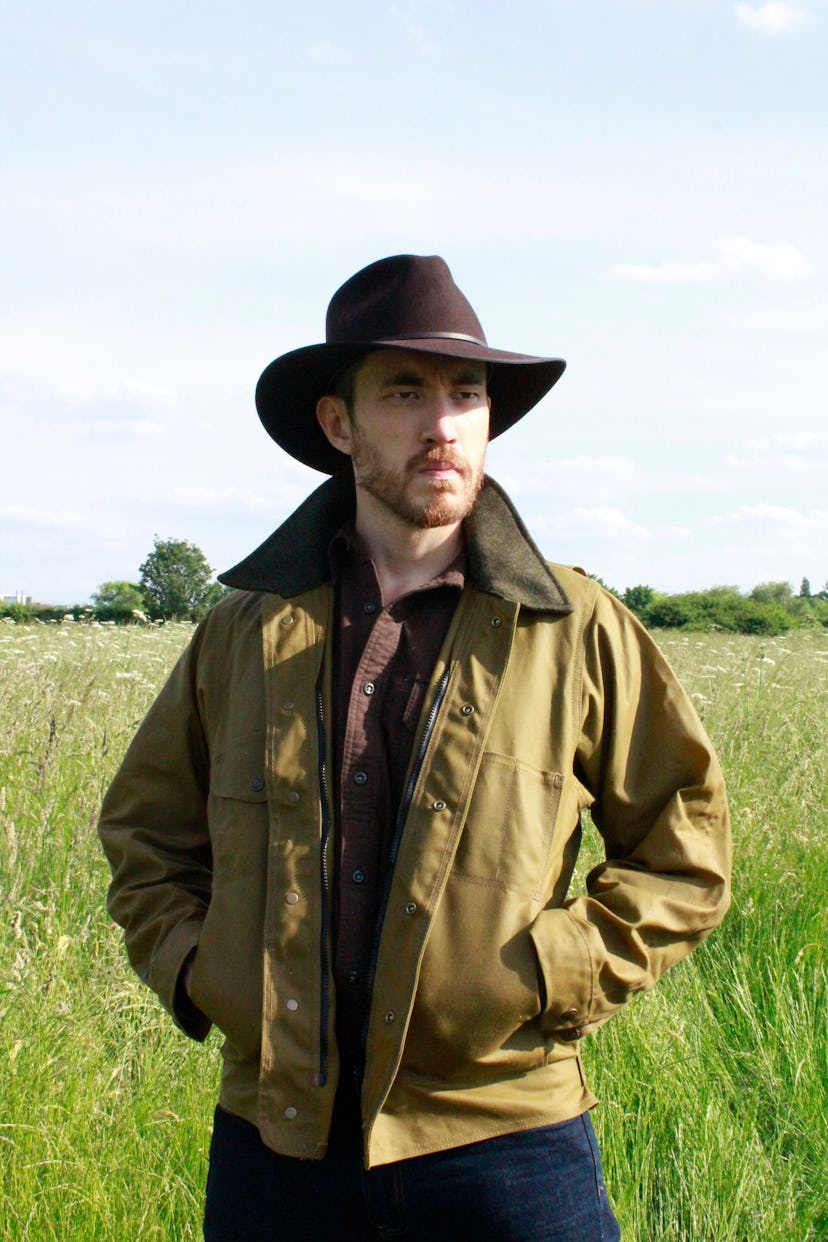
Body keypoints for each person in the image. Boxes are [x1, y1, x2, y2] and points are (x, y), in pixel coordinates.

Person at [98, 254, 731, 1241]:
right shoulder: (243, 630)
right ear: (338, 424)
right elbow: (147, 836)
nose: (443, 424)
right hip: (276, 1142)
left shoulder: (573, 627)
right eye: (404, 392)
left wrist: (548, 973)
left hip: (507, 1139)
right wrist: (201, 969)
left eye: (465, 394)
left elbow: (684, 854)